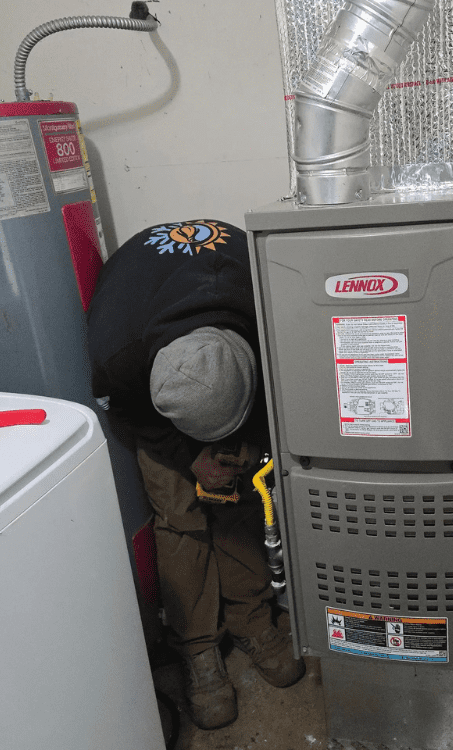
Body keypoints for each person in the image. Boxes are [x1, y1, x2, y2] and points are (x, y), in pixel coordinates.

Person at [86, 219, 305, 730]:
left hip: (235, 353)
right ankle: (197, 646)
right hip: (149, 393)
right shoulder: (118, 352)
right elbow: (130, 415)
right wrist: (190, 460)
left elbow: (286, 399)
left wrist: (243, 448)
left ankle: (250, 617)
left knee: (241, 488)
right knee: (179, 511)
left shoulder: (274, 305)